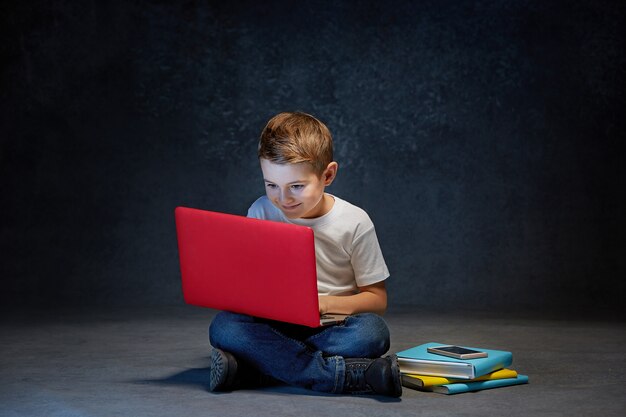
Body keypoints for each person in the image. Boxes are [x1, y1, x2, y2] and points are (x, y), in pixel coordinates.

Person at [208, 112, 402, 397]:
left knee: (372, 333)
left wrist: (321, 305)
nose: (283, 199)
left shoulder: (355, 222)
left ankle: (256, 369)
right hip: (274, 327)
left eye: (296, 186)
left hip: (330, 329)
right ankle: (346, 375)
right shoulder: (260, 212)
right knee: (224, 327)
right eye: (271, 185)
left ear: (328, 175)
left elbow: (377, 299)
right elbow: (248, 281)